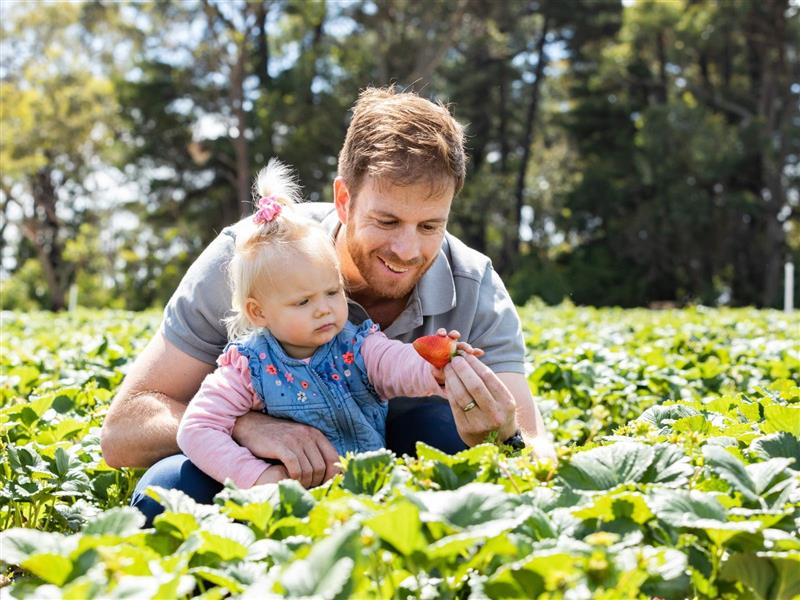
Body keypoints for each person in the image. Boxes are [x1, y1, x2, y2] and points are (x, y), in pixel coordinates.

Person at [101, 86, 554, 523]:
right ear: (343, 199)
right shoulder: (253, 260)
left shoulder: (475, 288)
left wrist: (504, 437)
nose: (407, 250)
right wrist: (246, 427)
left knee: (440, 426)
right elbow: (122, 430)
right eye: (387, 220)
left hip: (389, 476)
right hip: (268, 479)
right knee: (167, 489)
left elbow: (535, 453)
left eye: (430, 226)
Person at [177, 159, 482, 489]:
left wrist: (434, 369)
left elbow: (397, 364)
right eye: (303, 302)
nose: (324, 309)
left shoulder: (358, 346)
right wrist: (259, 477)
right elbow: (197, 428)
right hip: (290, 500)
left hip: (367, 491)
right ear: (258, 312)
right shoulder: (249, 368)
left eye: (333, 292)